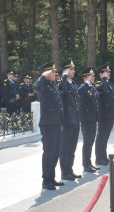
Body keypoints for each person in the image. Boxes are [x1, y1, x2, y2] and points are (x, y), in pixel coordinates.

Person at [33, 61, 64, 190]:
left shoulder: (52, 84)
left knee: (56, 152)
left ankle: (52, 178)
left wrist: (61, 123)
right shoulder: (42, 85)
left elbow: (59, 106)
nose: (55, 73)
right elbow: (35, 88)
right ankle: (46, 180)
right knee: (48, 152)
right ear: (46, 73)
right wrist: (42, 76)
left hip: (56, 123)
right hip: (48, 124)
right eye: (52, 71)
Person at [58, 58, 82, 180]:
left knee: (72, 147)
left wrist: (79, 119)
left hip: (75, 120)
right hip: (67, 120)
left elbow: (76, 102)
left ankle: (70, 170)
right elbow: (63, 95)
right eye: (71, 69)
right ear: (66, 70)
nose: (73, 71)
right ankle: (64, 172)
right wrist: (63, 77)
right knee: (65, 147)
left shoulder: (73, 84)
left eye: (73, 69)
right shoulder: (62, 83)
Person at [78, 67, 100, 172]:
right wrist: (86, 83)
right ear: (86, 77)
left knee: (91, 141)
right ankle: (86, 165)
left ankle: (89, 162)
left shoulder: (92, 88)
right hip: (86, 119)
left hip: (92, 118)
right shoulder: (84, 87)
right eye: (91, 76)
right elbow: (80, 92)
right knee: (87, 142)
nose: (94, 77)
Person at [94, 63, 114, 165]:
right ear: (101, 74)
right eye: (107, 72)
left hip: (110, 114)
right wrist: (103, 79)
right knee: (101, 136)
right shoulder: (99, 83)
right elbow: (100, 89)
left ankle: (104, 156)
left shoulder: (108, 83)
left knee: (106, 136)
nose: (109, 73)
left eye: (109, 72)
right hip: (103, 114)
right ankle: (99, 158)